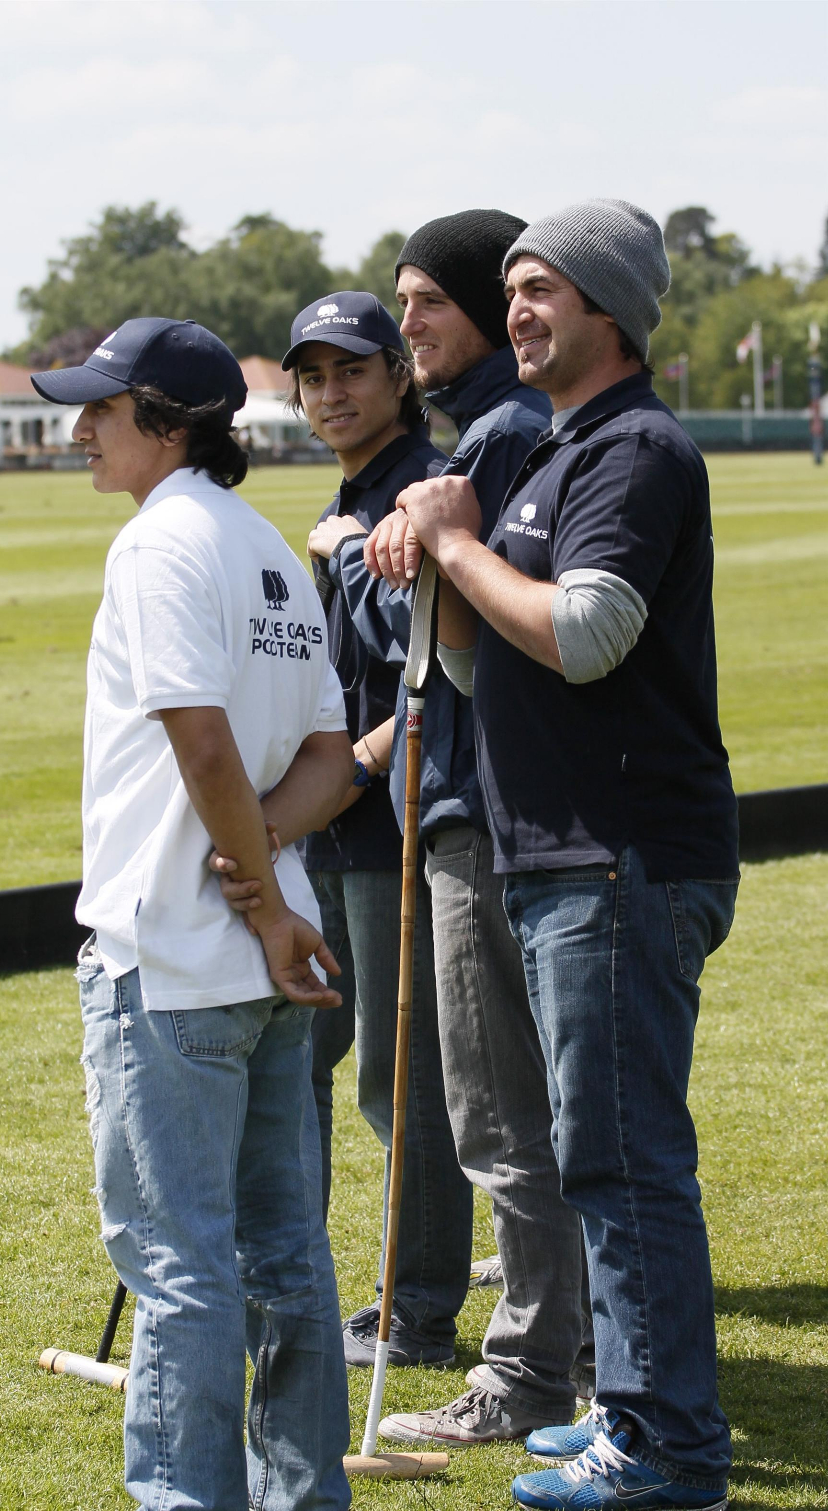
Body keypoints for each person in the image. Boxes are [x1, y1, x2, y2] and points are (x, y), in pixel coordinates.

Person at [386, 199, 739, 1509]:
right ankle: (632, 1413)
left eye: (543, 290)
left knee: (623, 1154)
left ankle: (664, 1447)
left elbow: (586, 630)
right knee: (598, 1150)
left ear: (608, 310)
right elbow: (486, 661)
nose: (518, 310)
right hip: (556, 858)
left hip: (615, 855)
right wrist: (443, 555)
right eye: (514, 289)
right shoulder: (551, 450)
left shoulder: (633, 448)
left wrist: (461, 541)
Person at [31, 318, 354, 1511]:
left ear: (168, 423)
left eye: (101, 410)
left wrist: (257, 899)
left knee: (180, 1268)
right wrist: (268, 869)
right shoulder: (266, 543)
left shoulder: (157, 546)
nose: (79, 430)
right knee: (286, 1258)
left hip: (173, 961)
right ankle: (306, 1495)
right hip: (270, 966)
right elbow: (330, 757)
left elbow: (200, 736)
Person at [315, 212, 591, 1446]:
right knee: (515, 1107)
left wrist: (370, 560)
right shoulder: (495, 427)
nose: (408, 321)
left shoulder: (497, 431)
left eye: (425, 300)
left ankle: (530, 1369)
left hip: (474, 806)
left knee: (492, 1111)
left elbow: (423, 639)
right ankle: (568, 1354)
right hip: (479, 802)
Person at [288, 291, 474, 1367]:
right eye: (312, 377)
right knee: (307, 1048)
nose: (330, 393)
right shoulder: (356, 492)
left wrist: (361, 756)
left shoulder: (419, 489)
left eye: (351, 369)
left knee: (400, 1083)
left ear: (398, 373)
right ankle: (294, 1263)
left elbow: (431, 667)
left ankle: (418, 1308)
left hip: (391, 814)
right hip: (334, 820)